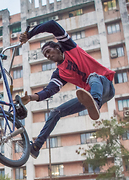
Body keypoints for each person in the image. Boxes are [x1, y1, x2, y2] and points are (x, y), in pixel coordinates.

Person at [19, 20, 115, 159]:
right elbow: (49, 91)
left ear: (57, 48)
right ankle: (36, 147)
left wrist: (30, 34)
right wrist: (32, 97)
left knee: (93, 76)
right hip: (89, 96)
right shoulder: (59, 73)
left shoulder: (69, 47)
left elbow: (51, 24)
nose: (48, 56)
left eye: (48, 51)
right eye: (45, 56)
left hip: (105, 85)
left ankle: (95, 101)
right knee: (55, 112)